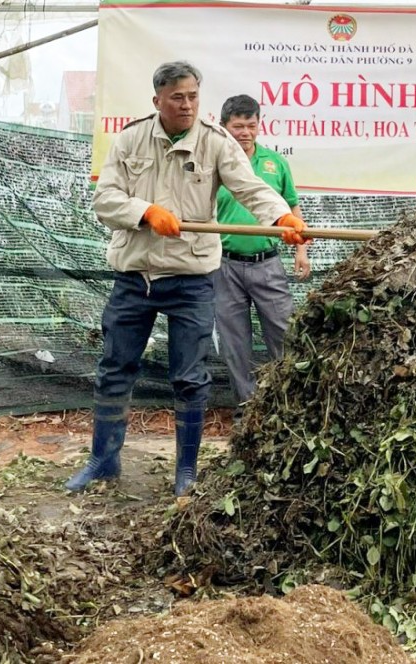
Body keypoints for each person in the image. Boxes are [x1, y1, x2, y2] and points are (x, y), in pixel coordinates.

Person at [66, 61, 307, 497]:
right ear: (157, 99)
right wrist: (145, 212)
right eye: (177, 97)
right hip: (135, 275)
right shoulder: (131, 138)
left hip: (191, 278)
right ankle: (103, 460)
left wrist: (281, 216)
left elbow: (249, 187)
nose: (187, 104)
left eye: (193, 95)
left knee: (189, 376)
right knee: (115, 369)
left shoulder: (215, 143)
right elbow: (105, 199)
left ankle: (186, 471)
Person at [214, 94, 309, 412]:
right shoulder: (214, 164)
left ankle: (286, 406)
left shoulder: (275, 163)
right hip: (224, 265)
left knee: (283, 333)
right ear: (224, 126)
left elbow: (291, 205)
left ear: (259, 125)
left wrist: (301, 250)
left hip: (267, 264)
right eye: (237, 126)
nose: (244, 132)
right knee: (234, 342)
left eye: (250, 125)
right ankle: (247, 409)